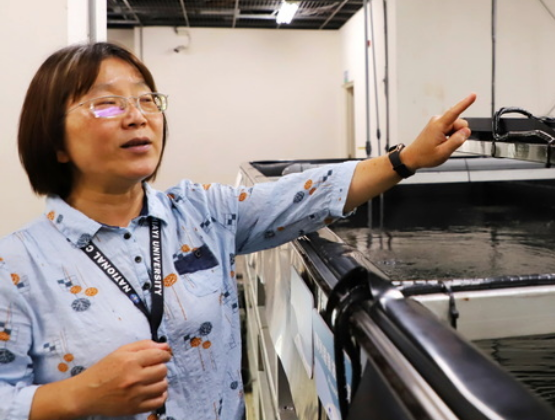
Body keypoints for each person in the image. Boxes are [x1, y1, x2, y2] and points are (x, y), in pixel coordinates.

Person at [0, 41, 476, 420]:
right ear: (54, 140)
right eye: (107, 104)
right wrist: (75, 397)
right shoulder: (17, 266)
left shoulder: (202, 213)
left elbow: (304, 194)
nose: (137, 115)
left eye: (148, 99)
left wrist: (406, 159)